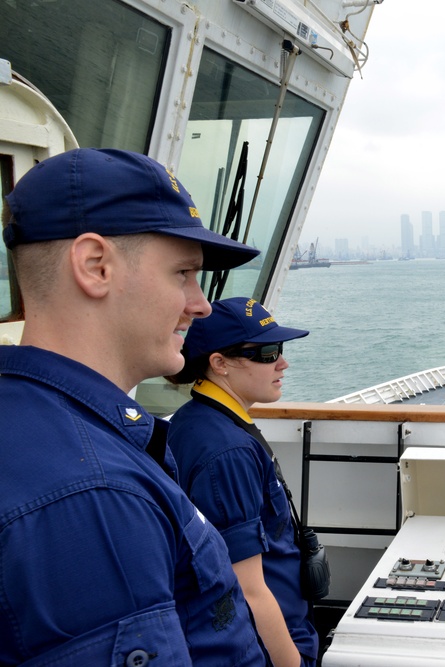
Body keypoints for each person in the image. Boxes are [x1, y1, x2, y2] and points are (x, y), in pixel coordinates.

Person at [0, 148, 267, 665]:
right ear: (95, 266)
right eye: (183, 274)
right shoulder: (92, 495)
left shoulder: (34, 422)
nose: (201, 303)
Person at [166, 297, 321, 667]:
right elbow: (247, 588)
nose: (283, 362)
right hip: (266, 645)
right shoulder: (226, 451)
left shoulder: (196, 421)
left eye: (280, 349)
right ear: (219, 363)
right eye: (267, 353)